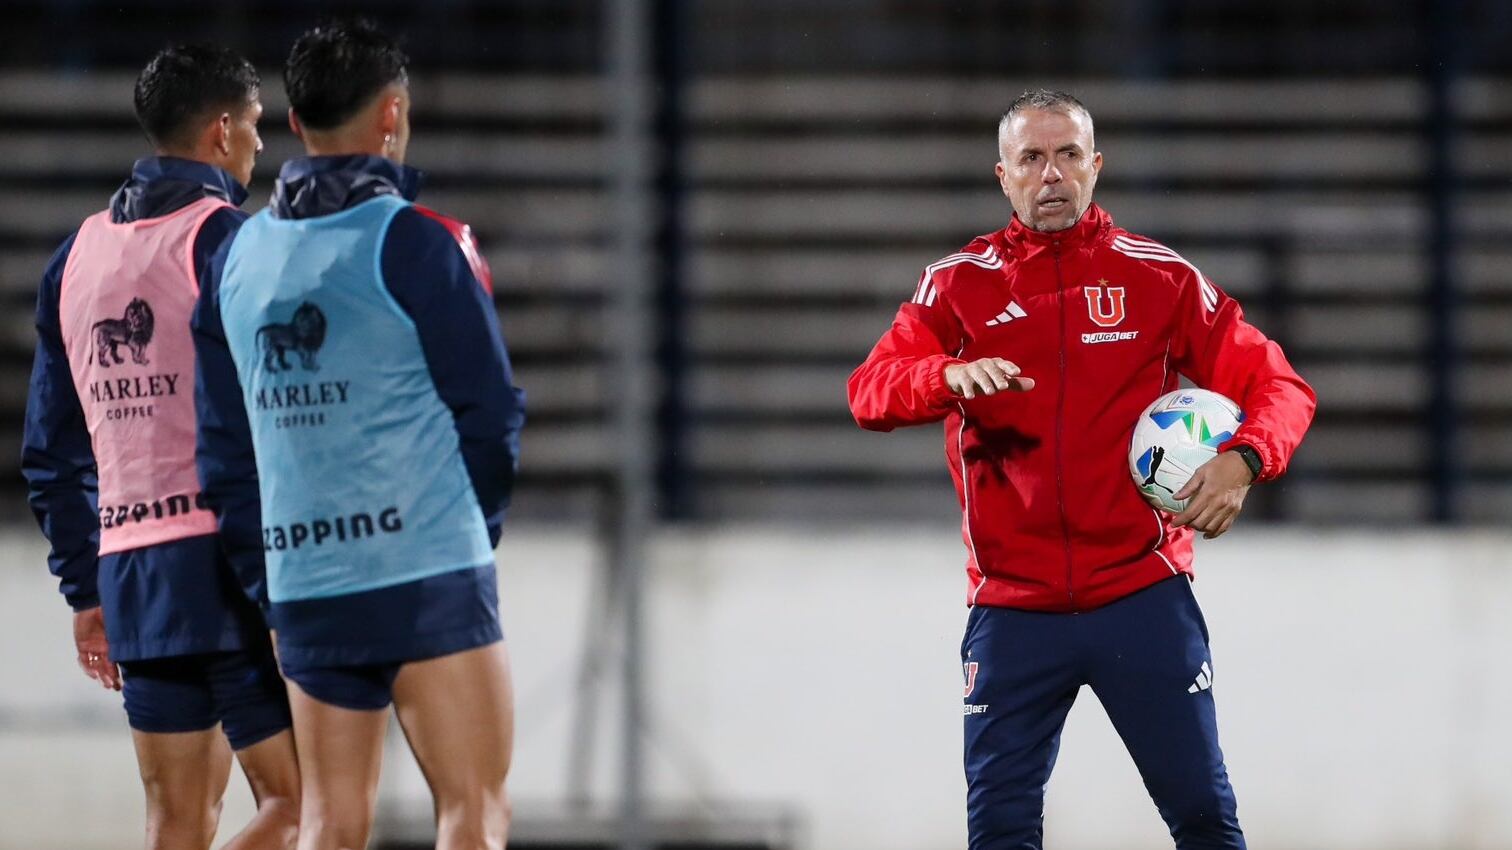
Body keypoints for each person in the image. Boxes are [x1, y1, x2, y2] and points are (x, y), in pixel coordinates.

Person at [847, 89, 1317, 849]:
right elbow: (868, 391)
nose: (1052, 174)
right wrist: (941, 377)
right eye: (1031, 158)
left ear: (1095, 167)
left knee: (1203, 818)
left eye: (1068, 154)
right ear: (1003, 176)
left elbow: (1281, 386)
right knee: (1000, 833)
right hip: (1012, 607)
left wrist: (1245, 460)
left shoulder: (1157, 278)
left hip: (1140, 593)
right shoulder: (958, 284)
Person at [192, 20, 525, 850]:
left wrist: (269, 578)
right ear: (393, 116)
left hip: (306, 577)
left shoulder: (235, 259)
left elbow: (224, 452)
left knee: (328, 824)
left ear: (297, 125)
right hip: (425, 569)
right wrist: (465, 538)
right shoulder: (417, 242)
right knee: (472, 814)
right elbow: (489, 415)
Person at [21, 45, 300, 850]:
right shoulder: (232, 243)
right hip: (229, 567)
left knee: (176, 824)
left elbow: (51, 449)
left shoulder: (75, 257)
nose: (257, 145)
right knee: (308, 809)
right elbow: (262, 422)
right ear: (220, 131)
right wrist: (278, 586)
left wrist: (84, 589)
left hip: (132, 574)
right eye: (251, 127)